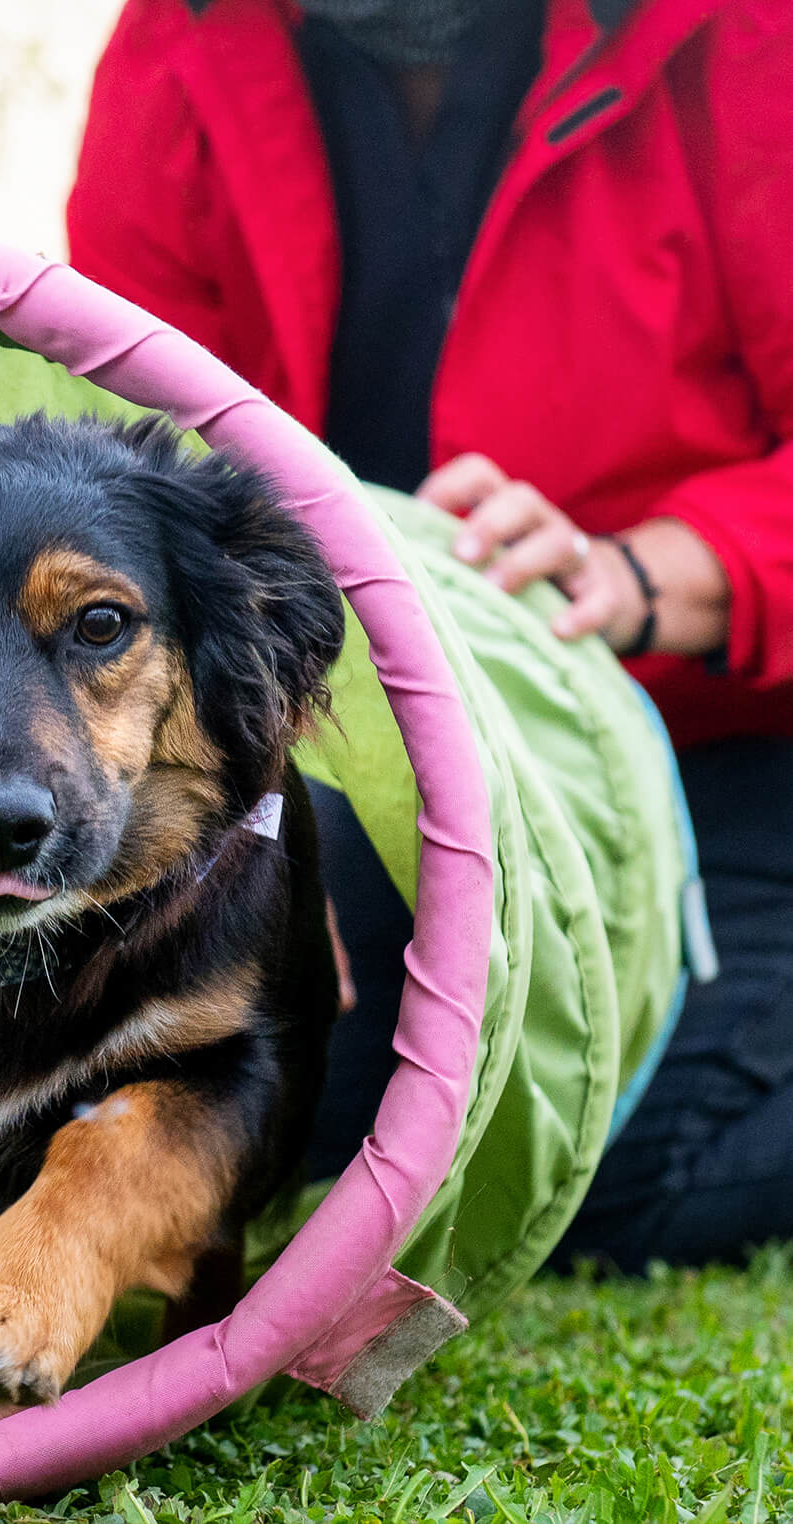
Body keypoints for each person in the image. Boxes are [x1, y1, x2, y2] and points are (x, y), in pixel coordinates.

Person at [66, 0, 793, 1269]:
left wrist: (639, 572)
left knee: (602, 1168)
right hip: (374, 754)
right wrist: (250, 824)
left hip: (717, 750)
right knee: (310, 1110)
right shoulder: (175, 45)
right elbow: (137, 495)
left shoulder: (744, 36)